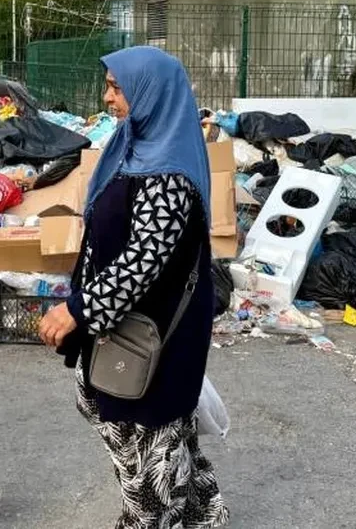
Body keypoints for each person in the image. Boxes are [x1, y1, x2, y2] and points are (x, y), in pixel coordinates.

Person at [38, 46, 228, 529]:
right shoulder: (133, 145)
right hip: (127, 323)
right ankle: (204, 510)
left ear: (151, 93)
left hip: (157, 328)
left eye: (117, 88)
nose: (107, 98)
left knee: (148, 440)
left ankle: (148, 519)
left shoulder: (167, 172)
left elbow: (143, 261)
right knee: (149, 429)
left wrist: (78, 310)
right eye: (107, 85)